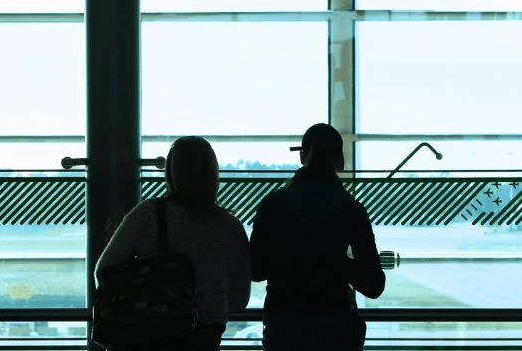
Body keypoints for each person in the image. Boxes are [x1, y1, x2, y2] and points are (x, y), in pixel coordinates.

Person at [95, 136, 252, 351]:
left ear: (171, 171)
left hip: (147, 333)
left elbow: (105, 271)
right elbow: (239, 299)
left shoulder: (146, 215)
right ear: (212, 173)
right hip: (205, 335)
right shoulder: (230, 227)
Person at [249, 123, 385, 351]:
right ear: (340, 162)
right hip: (335, 330)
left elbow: (256, 271)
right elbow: (374, 285)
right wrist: (335, 260)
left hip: (284, 329)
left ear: (303, 157)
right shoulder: (351, 210)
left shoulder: (272, 206)